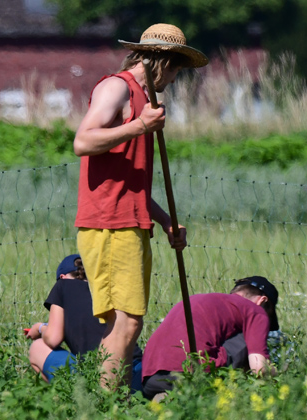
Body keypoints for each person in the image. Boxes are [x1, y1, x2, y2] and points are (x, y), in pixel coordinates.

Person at [72, 22, 207, 389]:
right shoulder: (116, 87)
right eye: (178, 67)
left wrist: (164, 221)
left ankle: (102, 399)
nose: (178, 77)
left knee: (123, 324)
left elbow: (130, 183)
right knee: (127, 322)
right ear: (162, 59)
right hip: (108, 224)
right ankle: (105, 403)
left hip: (130, 222)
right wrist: (138, 127)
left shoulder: (145, 101)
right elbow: (83, 141)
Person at [140, 276, 279, 400]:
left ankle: (169, 397)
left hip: (149, 378)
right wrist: (280, 375)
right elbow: (259, 368)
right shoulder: (256, 311)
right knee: (248, 340)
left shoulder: (203, 300)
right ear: (262, 301)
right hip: (191, 374)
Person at [25, 254, 143, 391]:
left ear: (62, 277)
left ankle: (70, 399)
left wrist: (40, 328)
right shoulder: (106, 289)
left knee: (37, 347)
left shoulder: (62, 286)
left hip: (98, 375)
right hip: (135, 369)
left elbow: (53, 338)